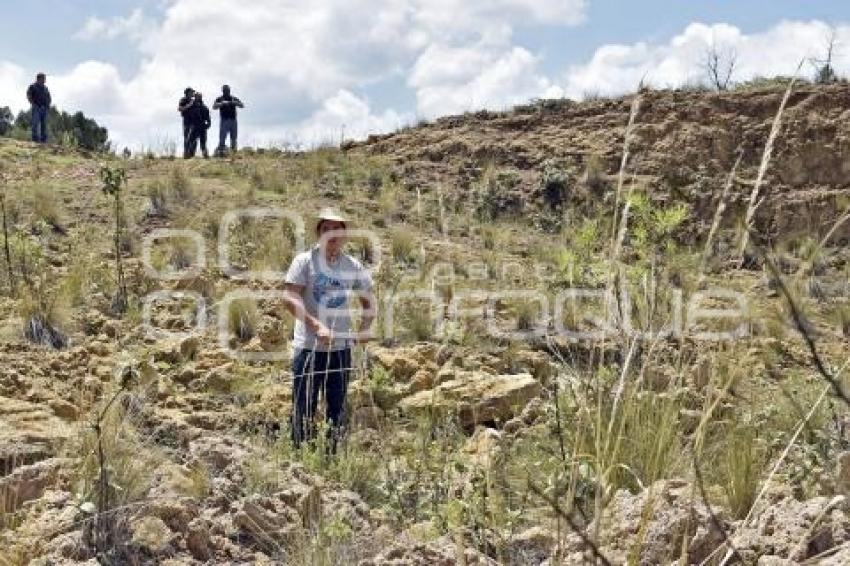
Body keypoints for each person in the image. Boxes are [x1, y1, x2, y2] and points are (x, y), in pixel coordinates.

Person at [283, 208, 375, 452]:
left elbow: (369, 301)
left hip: (341, 349)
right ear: (318, 232)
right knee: (304, 406)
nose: (331, 235)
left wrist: (365, 327)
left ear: (345, 235)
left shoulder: (352, 266)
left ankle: (332, 458)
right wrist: (316, 326)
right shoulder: (305, 261)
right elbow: (290, 297)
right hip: (309, 347)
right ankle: (299, 459)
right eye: (326, 229)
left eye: (337, 230)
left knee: (337, 407)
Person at [213, 85, 244, 156]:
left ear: (229, 90)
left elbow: (242, 105)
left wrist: (235, 103)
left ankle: (233, 154)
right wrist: (222, 103)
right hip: (224, 120)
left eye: (228, 90)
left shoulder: (233, 98)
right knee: (222, 138)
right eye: (225, 90)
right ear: (222, 91)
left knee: (234, 138)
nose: (226, 91)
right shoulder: (220, 98)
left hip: (233, 120)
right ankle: (221, 153)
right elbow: (214, 106)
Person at [185, 92, 211, 159]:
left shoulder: (204, 108)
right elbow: (188, 116)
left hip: (202, 126)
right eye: (197, 96)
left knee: (203, 143)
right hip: (194, 126)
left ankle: (205, 155)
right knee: (190, 142)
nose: (198, 98)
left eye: (199, 97)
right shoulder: (192, 107)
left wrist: (208, 124)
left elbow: (208, 119)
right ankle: (190, 155)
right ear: (195, 97)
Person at [26, 73, 51, 144]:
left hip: (44, 109)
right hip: (36, 108)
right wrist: (33, 104)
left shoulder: (45, 88)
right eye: (44, 78)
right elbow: (28, 95)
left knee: (44, 125)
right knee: (35, 124)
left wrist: (47, 106)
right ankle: (35, 140)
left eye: (45, 78)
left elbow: (49, 97)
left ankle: (43, 141)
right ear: (39, 79)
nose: (45, 80)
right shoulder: (32, 86)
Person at [178, 87, 195, 157]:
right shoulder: (183, 100)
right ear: (187, 93)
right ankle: (186, 153)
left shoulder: (194, 100)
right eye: (191, 92)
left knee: (193, 138)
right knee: (187, 138)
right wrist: (189, 105)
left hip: (194, 121)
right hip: (186, 121)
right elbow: (180, 109)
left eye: (192, 92)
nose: (192, 93)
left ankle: (191, 154)